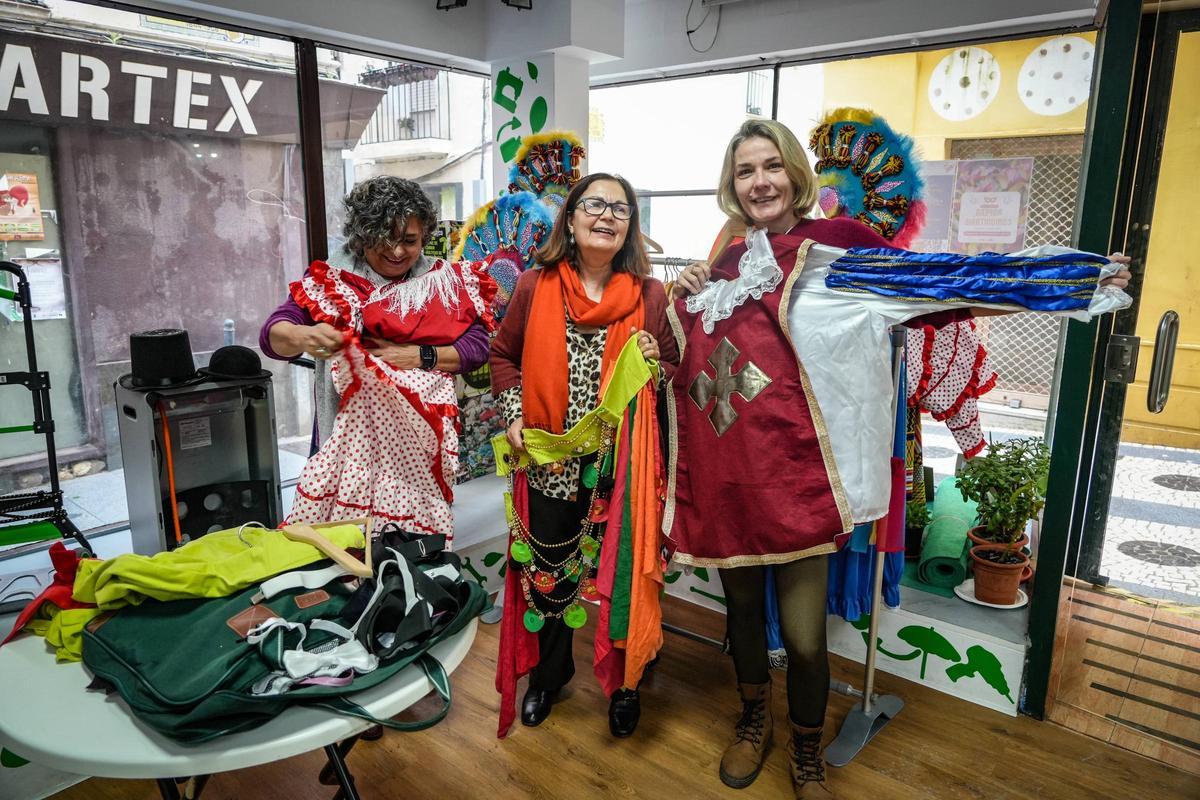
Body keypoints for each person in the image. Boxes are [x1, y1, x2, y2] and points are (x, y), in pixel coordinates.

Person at [670, 119, 1131, 798]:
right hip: (730, 480)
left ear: (797, 172)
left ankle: (805, 751)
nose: (760, 181)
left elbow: (945, 283)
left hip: (802, 480)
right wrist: (689, 289)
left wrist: (1067, 278)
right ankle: (751, 722)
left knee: (802, 637)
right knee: (742, 618)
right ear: (731, 185)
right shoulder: (732, 261)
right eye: (745, 171)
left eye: (772, 165)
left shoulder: (842, 246)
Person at [489, 172, 678, 738]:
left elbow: (673, 368)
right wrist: (513, 412)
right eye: (594, 204)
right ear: (570, 219)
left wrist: (655, 359)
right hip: (550, 463)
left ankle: (627, 682)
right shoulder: (533, 285)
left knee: (621, 577)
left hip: (622, 471)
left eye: (621, 208)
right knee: (550, 576)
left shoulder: (650, 296)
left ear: (631, 226)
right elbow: (502, 356)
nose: (607, 215)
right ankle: (549, 677)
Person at [260, 176, 495, 537]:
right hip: (347, 439)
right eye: (384, 239)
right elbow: (274, 334)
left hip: (417, 447)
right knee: (345, 543)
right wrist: (304, 336)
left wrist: (419, 355)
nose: (397, 251)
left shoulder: (441, 281)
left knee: (411, 548)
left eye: (409, 240)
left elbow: (477, 347)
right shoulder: (332, 280)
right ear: (361, 234)